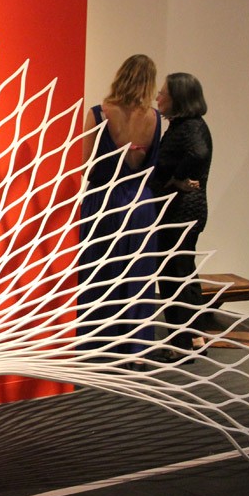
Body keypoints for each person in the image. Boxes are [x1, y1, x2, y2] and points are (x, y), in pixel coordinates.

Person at [78, 54, 162, 359]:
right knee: (136, 276)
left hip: (105, 202)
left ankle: (96, 344)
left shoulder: (99, 113)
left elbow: (86, 166)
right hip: (141, 205)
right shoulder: (154, 119)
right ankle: (134, 347)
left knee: (99, 272)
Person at [149, 72, 212, 362]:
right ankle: (193, 338)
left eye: (163, 93)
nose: (158, 97)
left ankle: (183, 343)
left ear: (178, 98)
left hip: (180, 212)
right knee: (181, 273)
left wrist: (176, 179)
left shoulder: (190, 127)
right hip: (183, 211)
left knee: (175, 276)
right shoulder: (186, 125)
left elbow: (198, 154)